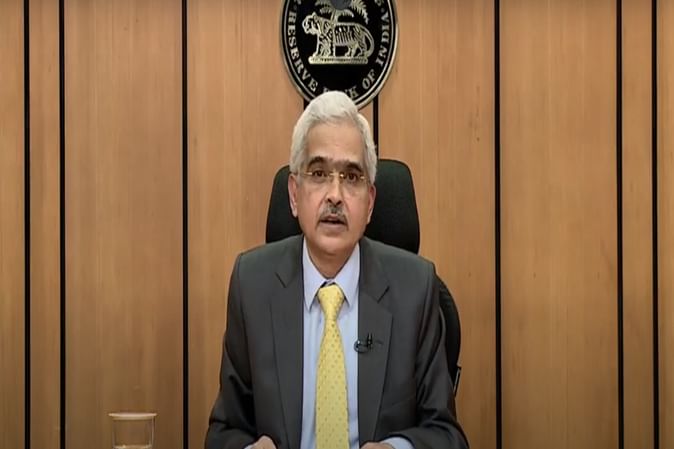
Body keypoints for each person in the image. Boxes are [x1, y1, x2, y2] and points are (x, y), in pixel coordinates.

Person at [205, 91, 468, 449]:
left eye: (352, 176)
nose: (334, 195)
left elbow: (448, 436)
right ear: (294, 195)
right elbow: (223, 431)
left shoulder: (415, 290)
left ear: (370, 203)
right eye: (318, 173)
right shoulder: (252, 285)